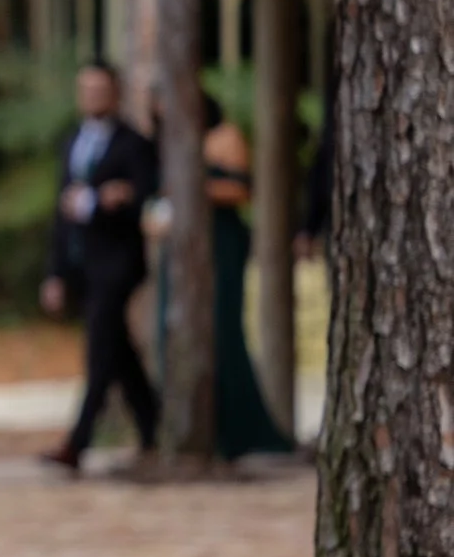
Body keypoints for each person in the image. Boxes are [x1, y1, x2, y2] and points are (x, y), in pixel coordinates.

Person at [147, 94, 295, 459]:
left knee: (222, 329)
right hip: (178, 246)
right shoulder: (166, 143)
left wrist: (192, 188)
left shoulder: (224, 136)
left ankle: (240, 430)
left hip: (221, 241)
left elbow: (241, 189)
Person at [39, 64, 159, 472]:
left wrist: (112, 200)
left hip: (119, 262)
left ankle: (78, 441)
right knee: (118, 350)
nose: (91, 97)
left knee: (101, 348)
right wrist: (55, 272)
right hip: (82, 261)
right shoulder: (72, 140)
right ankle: (152, 424)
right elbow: (62, 210)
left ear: (115, 93)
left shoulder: (134, 144)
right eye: (85, 89)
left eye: (99, 90)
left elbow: (146, 195)